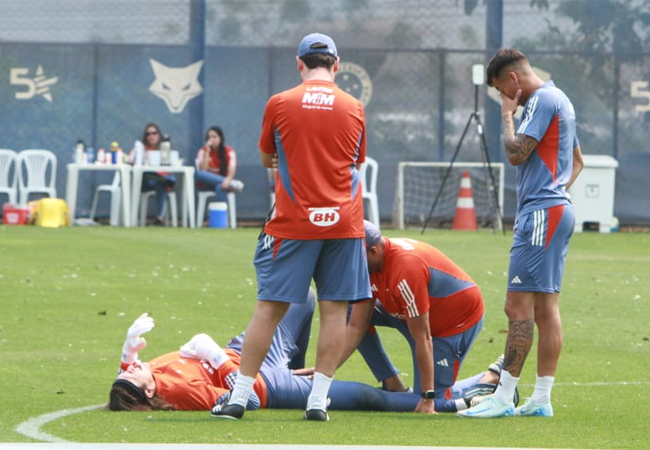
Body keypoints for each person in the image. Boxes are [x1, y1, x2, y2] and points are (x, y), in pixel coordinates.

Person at [212, 32, 370, 422]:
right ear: (336, 63)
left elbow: (267, 155)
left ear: (300, 64)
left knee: (269, 309)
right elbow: (358, 161)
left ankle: (240, 396)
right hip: (344, 223)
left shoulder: (280, 102)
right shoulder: (354, 106)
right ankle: (317, 401)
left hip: (293, 222)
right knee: (335, 311)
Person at [108, 290, 503, 413]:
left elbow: (128, 375)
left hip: (252, 348)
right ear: (147, 392)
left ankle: (300, 371)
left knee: (303, 298)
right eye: (132, 372)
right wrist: (215, 359)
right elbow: (234, 394)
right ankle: (470, 394)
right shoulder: (177, 393)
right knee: (365, 398)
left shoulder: (148, 374)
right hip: (265, 383)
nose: (133, 366)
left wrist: (128, 348)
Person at [458, 48, 583, 419]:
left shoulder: (542, 100)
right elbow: (577, 160)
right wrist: (557, 193)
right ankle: (541, 399)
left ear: (513, 79)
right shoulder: (561, 99)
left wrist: (506, 116)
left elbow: (516, 153)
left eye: (500, 89)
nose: (502, 97)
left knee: (517, 307)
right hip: (555, 209)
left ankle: (503, 396)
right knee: (546, 309)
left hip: (542, 213)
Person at [340, 221, 486, 415]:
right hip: (411, 313)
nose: (352, 264)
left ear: (374, 251)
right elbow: (357, 325)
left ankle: (490, 378)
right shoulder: (371, 265)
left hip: (453, 322)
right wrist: (326, 370)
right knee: (351, 311)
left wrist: (427, 397)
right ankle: (393, 383)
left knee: (432, 400)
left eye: (355, 258)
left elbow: (423, 337)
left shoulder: (406, 268)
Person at [128, 123, 176, 226]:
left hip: (161, 180)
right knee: (155, 177)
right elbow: (130, 160)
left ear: (159, 135)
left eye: (154, 133)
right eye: (148, 134)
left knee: (161, 184)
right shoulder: (141, 148)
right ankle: (167, 181)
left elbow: (172, 166)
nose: (151, 136)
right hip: (146, 181)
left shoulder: (166, 148)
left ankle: (159, 219)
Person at [194, 126, 244, 208]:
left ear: (220, 138)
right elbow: (203, 170)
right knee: (198, 174)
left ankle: (222, 219)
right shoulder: (202, 151)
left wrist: (228, 180)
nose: (211, 140)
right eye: (209, 137)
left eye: (214, 137)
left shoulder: (229, 151)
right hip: (207, 184)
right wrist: (207, 152)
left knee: (220, 188)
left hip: (224, 183)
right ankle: (233, 183)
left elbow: (232, 169)